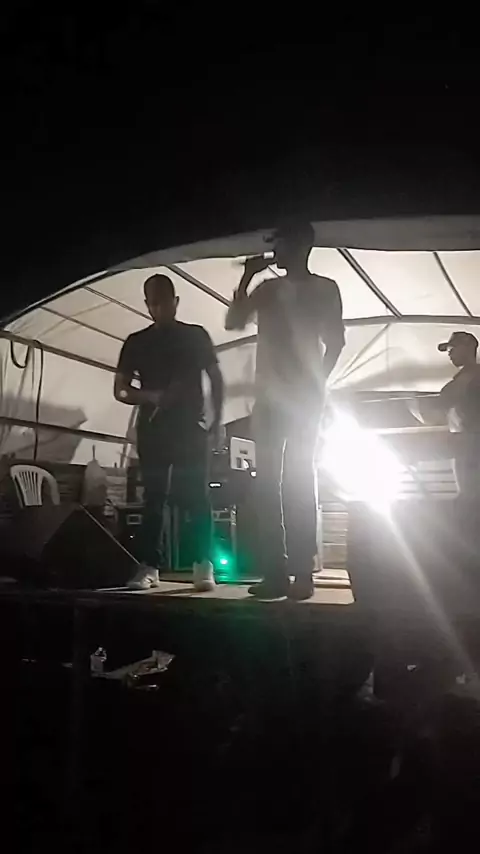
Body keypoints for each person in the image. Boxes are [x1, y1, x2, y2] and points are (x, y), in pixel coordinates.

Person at [225, 222, 345, 599]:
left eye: (280, 243)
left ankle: (302, 572)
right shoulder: (268, 289)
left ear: (302, 245)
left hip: (303, 400)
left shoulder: (324, 288)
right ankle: (276, 573)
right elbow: (233, 322)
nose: (276, 251)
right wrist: (247, 277)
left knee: (299, 481)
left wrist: (317, 386)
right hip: (271, 400)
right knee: (268, 483)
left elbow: (336, 342)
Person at [114, 274, 224, 590]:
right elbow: (120, 389)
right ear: (147, 305)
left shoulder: (196, 336)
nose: (159, 309)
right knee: (154, 498)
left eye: (164, 303)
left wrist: (217, 421)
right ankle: (150, 566)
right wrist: (152, 396)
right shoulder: (136, 342)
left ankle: (203, 564)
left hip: (191, 429)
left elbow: (216, 378)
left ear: (176, 301)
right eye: (154, 304)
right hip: (153, 430)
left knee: (197, 497)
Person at [409, 331, 480, 497]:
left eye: (453, 348)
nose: (449, 353)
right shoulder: (470, 378)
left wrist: (410, 401)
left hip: (470, 446)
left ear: (468, 348)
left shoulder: (466, 380)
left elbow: (431, 414)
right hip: (469, 445)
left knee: (469, 498)